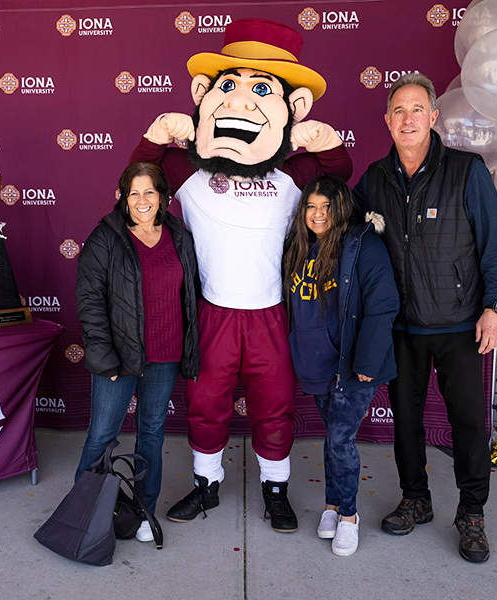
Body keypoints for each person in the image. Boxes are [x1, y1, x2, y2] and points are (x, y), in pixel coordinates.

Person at [130, 17, 352, 534]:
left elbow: (338, 177)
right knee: (206, 405)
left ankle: (275, 490)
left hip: (272, 311)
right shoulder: (190, 174)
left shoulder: (290, 176)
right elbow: (137, 183)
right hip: (212, 310)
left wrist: (329, 142)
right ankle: (207, 485)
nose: (242, 104)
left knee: (275, 407)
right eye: (228, 87)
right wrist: (153, 137)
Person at [353, 72, 497, 563]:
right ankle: (415, 499)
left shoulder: (467, 170)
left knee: (466, 423)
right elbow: (351, 238)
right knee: (406, 424)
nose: (407, 119)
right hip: (401, 327)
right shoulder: (374, 178)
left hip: (461, 324)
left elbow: (493, 241)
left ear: (433, 116)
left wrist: (495, 305)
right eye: (398, 110)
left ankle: (472, 513)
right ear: (387, 120)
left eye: (416, 109)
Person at [75, 162, 200, 543]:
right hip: (118, 357)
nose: (142, 201)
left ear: (162, 197)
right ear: (123, 199)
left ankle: (145, 511)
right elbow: (90, 300)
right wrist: (103, 356)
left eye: (150, 192)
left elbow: (190, 295)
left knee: (152, 433)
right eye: (134, 193)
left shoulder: (179, 235)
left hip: (165, 354)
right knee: (101, 436)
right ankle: (83, 513)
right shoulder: (106, 237)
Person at [283, 175, 398, 556]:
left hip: (351, 364)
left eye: (326, 207)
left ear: (342, 209)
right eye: (311, 207)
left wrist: (367, 360)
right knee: (333, 436)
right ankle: (332, 505)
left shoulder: (364, 245)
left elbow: (383, 306)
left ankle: (348, 517)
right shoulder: (299, 246)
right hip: (315, 360)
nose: (318, 215)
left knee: (340, 438)